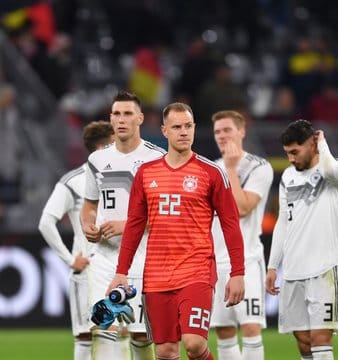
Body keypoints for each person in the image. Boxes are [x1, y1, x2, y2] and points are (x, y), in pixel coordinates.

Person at [108, 102, 246, 360]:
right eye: (177, 127)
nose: (184, 132)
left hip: (196, 272)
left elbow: (230, 223)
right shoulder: (146, 173)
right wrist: (121, 271)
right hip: (156, 276)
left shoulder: (212, 172)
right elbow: (135, 224)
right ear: (164, 131)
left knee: (193, 344)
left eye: (188, 126)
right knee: (166, 352)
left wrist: (238, 272)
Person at [80, 90, 165, 360]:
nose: (122, 119)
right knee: (102, 328)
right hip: (104, 258)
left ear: (140, 118)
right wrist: (87, 224)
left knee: (141, 336)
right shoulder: (97, 160)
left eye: (128, 113)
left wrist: (127, 225)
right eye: (117, 113)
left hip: (144, 260)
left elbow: (166, 214)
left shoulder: (158, 159)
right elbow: (89, 204)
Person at [266, 119, 338, 360]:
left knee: (321, 339)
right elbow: (283, 222)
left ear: (313, 144)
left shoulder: (337, 169)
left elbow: (330, 171)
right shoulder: (288, 178)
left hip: (324, 269)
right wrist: (273, 265)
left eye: (295, 152)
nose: (291, 158)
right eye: (287, 153)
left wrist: (322, 144)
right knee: (303, 341)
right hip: (293, 270)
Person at [38, 120, 114, 360]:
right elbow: (46, 222)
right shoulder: (73, 181)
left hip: (119, 269)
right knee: (85, 335)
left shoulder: (121, 176)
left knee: (125, 334)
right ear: (102, 148)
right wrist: (70, 260)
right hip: (89, 271)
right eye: (114, 143)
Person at [210, 110, 274, 360]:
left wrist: (231, 170)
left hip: (247, 260)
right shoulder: (210, 169)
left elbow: (242, 208)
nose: (222, 136)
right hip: (215, 262)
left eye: (227, 130)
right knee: (223, 331)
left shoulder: (260, 167)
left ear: (242, 131)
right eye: (217, 131)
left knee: (250, 327)